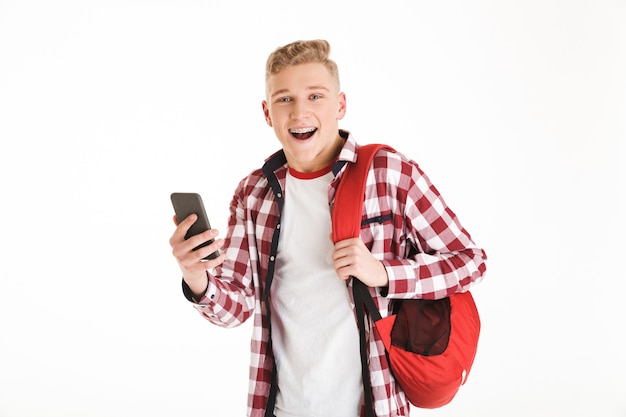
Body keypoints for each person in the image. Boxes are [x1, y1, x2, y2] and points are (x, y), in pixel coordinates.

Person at [169, 39, 487, 417]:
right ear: (267, 113)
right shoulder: (254, 193)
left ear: (340, 105)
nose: (299, 111)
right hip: (280, 407)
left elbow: (471, 262)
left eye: (315, 96)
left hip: (372, 405)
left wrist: (384, 273)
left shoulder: (388, 173)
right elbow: (235, 308)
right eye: (284, 99)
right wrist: (197, 279)